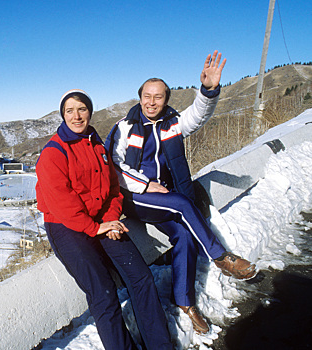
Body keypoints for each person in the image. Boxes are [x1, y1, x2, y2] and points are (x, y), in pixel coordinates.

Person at [105, 51, 257, 334]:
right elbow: (113, 166)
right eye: (147, 96)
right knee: (180, 202)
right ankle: (222, 257)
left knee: (185, 236)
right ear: (140, 98)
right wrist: (145, 185)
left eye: (158, 97)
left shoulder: (172, 123)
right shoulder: (124, 127)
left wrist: (209, 90)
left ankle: (185, 302)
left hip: (165, 201)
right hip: (134, 198)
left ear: (166, 100)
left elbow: (198, 116)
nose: (152, 102)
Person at [36, 89, 173, 350]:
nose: (77, 116)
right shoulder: (53, 152)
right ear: (62, 115)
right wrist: (95, 227)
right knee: (103, 293)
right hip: (67, 227)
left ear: (90, 111)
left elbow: (112, 187)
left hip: (102, 219)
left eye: (82, 109)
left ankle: (160, 345)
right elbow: (62, 204)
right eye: (70, 111)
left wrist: (109, 220)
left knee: (141, 276)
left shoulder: (96, 144)